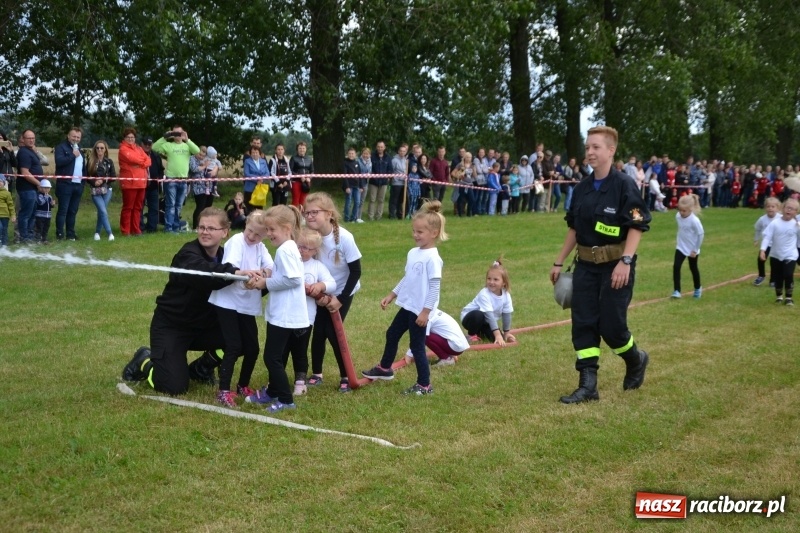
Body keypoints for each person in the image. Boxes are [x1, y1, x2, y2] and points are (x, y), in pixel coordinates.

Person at [549, 125, 652, 404]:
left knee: (612, 326)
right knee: (582, 323)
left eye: (596, 147)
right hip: (584, 265)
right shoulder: (582, 188)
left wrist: (626, 262)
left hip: (616, 266)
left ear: (611, 150)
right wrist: (559, 262)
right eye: (587, 147)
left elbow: (637, 225)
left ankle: (635, 359)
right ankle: (588, 385)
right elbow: (574, 228)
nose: (590, 152)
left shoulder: (624, 185)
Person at [122, 207, 254, 394]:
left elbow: (245, 289)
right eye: (201, 227)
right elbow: (204, 273)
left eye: (211, 228)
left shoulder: (229, 256)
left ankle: (202, 368)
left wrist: (261, 280)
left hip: (206, 326)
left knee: (243, 339)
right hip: (173, 326)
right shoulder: (187, 254)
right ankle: (145, 361)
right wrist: (234, 274)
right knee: (173, 387)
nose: (204, 232)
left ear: (225, 232)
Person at [361, 200, 449, 396]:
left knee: (417, 347)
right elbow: (408, 278)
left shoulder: (433, 258)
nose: (415, 235)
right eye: (414, 231)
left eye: (420, 232)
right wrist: (392, 294)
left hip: (420, 310)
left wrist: (426, 312)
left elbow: (435, 287)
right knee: (392, 333)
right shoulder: (413, 253)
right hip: (408, 306)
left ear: (434, 233)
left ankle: (425, 385)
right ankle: (385, 369)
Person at [243, 205, 307, 413]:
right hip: (281, 314)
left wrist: (265, 284)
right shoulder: (288, 248)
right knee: (274, 356)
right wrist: (267, 278)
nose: (268, 234)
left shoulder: (285, 250)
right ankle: (273, 392)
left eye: (272, 230)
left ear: (287, 228)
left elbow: (294, 279)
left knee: (272, 358)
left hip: (285, 316)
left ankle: (286, 399)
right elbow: (286, 277)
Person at [208, 210, 274, 407]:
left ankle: (242, 385)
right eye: (250, 231)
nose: (252, 236)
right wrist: (248, 276)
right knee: (234, 346)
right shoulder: (237, 241)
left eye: (258, 235)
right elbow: (231, 268)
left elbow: (271, 268)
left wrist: (261, 273)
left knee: (252, 348)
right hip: (227, 302)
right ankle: (223, 391)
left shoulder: (260, 247)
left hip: (246, 303)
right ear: (246, 225)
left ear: (265, 235)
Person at [303, 192, 363, 392]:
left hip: (344, 290)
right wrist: (320, 294)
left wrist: (340, 299)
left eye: (314, 212)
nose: (310, 216)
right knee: (318, 332)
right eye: (307, 213)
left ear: (329, 214)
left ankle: (346, 376)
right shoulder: (311, 237)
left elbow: (356, 271)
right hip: (322, 292)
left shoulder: (344, 237)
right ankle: (317, 373)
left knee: (333, 332)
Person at [284, 228, 336, 395]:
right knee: (282, 349)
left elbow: (332, 283)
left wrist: (320, 286)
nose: (302, 250)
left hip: (305, 318)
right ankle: (276, 379)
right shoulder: (290, 261)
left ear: (315, 251)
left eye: (307, 248)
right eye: (299, 246)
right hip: (285, 316)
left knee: (300, 350)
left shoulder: (317, 266)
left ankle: (300, 382)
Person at [152, 125, 201, 233]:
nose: (177, 135)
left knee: (178, 205)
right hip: (171, 180)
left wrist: (187, 140)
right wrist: (165, 137)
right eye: (175, 133)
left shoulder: (187, 146)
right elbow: (154, 147)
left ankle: (176, 226)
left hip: (183, 180)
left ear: (183, 133)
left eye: (179, 133)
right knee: (171, 204)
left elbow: (197, 151)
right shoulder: (169, 145)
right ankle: (169, 228)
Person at [460, 259, 517, 346]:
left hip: (486, 321)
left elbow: (507, 315)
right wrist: (497, 334)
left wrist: (506, 334)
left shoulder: (506, 295)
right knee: (478, 315)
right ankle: (471, 335)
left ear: (504, 283)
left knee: (496, 338)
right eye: (489, 279)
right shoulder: (484, 294)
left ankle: (480, 333)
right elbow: (489, 315)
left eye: (496, 279)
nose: (491, 282)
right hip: (470, 318)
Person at [759, 198, 799, 306]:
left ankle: (789, 298)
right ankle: (779, 296)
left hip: (790, 255)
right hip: (776, 254)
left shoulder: (796, 225)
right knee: (778, 276)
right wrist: (762, 250)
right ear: (783, 208)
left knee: (788, 274)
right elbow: (767, 237)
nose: (789, 210)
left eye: (793, 209)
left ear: (796, 212)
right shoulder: (775, 223)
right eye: (788, 208)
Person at [404, 308, 470, 367]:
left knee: (424, 336)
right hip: (458, 345)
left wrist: (409, 355)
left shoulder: (427, 316)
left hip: (455, 346)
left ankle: (446, 359)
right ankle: (449, 355)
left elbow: (420, 338)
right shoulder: (433, 312)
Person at [118, 128, 150, 237]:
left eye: (132, 137)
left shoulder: (139, 149)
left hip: (141, 183)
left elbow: (148, 161)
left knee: (138, 208)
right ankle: (125, 231)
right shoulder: (123, 149)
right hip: (129, 183)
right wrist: (141, 162)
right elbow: (133, 159)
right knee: (128, 207)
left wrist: (140, 163)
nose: (130, 139)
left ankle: (136, 230)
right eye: (128, 137)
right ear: (124, 138)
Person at [54, 127, 85, 241]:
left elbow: (83, 167)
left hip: (78, 184)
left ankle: (71, 234)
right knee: (63, 210)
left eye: (78, 137)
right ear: (68, 136)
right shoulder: (61, 147)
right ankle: (60, 234)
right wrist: (73, 155)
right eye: (74, 136)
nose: (76, 139)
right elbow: (60, 162)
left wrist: (83, 182)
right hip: (65, 184)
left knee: (73, 210)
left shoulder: (80, 149)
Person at [671, 194, 704, 299]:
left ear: (691, 209)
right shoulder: (678, 216)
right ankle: (677, 291)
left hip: (692, 249)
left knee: (693, 268)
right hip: (681, 247)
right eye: (680, 210)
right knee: (676, 266)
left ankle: (698, 288)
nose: (681, 212)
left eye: (684, 211)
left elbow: (701, 234)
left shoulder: (695, 221)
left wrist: (695, 249)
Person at [84, 140, 116, 241]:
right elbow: (86, 176)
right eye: (97, 148)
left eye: (102, 148)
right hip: (95, 191)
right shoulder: (90, 161)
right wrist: (94, 182)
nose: (99, 150)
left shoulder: (109, 162)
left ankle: (97, 233)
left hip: (107, 189)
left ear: (105, 149)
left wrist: (103, 180)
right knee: (102, 210)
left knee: (102, 212)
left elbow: (113, 177)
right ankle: (110, 233)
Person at [14, 130, 43, 244]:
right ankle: (24, 238)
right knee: (25, 214)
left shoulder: (31, 151)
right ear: (23, 139)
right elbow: (25, 172)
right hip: (27, 188)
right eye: (28, 138)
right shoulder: (24, 152)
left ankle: (30, 236)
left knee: (32, 214)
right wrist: (38, 183)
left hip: (32, 188)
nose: (31, 140)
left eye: (33, 138)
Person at [191, 146, 221, 229]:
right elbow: (194, 169)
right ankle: (196, 226)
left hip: (209, 186)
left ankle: (206, 225)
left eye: (203, 155)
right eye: (200, 154)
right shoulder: (193, 159)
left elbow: (216, 164)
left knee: (208, 206)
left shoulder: (209, 159)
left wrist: (215, 168)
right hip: (199, 187)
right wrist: (204, 166)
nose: (201, 156)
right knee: (200, 206)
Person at [753, 197, 780, 287]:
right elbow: (757, 229)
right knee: (760, 259)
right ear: (765, 208)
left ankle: (773, 280)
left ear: (777, 208)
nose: (770, 208)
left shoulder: (780, 218)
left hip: (777, 244)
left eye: (773, 206)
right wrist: (756, 239)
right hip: (766, 244)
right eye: (768, 206)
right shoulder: (762, 219)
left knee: (774, 262)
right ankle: (761, 276)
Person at [142, 137, 164, 233]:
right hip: (141, 186)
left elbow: (161, 169)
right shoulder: (138, 154)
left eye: (149, 144)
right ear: (141, 144)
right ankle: (140, 227)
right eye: (145, 144)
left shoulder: (155, 156)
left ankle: (152, 228)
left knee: (154, 208)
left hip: (154, 186)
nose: (147, 146)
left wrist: (159, 177)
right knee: (140, 208)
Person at [368, 140, 392, 220]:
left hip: (384, 182)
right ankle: (370, 216)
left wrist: (388, 177)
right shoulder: (371, 156)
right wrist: (374, 177)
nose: (380, 148)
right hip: (373, 182)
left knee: (381, 200)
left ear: (384, 147)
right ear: (376, 147)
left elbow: (390, 169)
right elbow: (369, 168)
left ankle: (378, 216)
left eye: (381, 147)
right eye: (378, 147)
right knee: (372, 200)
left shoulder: (388, 158)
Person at [289, 141, 313, 207]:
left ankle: (302, 215)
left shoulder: (309, 159)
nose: (302, 150)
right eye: (300, 148)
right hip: (296, 182)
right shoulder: (293, 158)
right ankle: (295, 215)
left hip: (306, 182)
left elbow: (312, 171)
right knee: (296, 200)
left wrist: (309, 178)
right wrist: (299, 177)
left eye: (303, 148)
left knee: (304, 200)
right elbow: (290, 170)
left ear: (306, 149)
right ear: (297, 149)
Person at [342, 147, 362, 223]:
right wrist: (346, 187)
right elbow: (344, 176)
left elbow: (360, 175)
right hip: (349, 186)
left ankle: (353, 218)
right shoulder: (345, 163)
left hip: (356, 186)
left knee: (357, 202)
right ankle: (346, 218)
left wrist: (360, 186)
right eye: (349, 153)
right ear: (347, 154)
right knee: (348, 202)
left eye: (352, 153)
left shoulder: (357, 163)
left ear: (355, 154)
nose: (351, 155)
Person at [389, 144, 408, 220]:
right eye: (401, 151)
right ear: (398, 151)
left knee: (401, 200)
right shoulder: (394, 160)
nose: (402, 152)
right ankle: (392, 214)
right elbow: (392, 171)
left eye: (404, 151)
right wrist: (398, 178)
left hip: (404, 183)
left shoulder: (406, 160)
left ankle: (399, 213)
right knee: (394, 199)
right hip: (396, 183)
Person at [34, 179, 55, 244]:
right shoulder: (39, 195)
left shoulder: (50, 196)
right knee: (39, 227)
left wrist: (52, 204)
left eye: (48, 188)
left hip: (48, 215)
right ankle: (38, 239)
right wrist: (45, 197)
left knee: (46, 227)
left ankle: (44, 238)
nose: (47, 190)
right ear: (40, 188)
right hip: (40, 215)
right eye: (45, 188)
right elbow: (40, 203)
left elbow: (50, 206)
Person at [355, 147, 371, 223]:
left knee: (362, 201)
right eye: (364, 153)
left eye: (367, 153)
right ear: (362, 154)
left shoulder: (370, 162)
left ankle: (359, 217)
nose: (365, 155)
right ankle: (354, 216)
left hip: (366, 183)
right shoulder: (358, 161)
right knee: (357, 201)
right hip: (358, 184)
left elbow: (370, 172)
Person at [0, 175, 15, 246]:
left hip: (5, 216)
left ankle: (4, 245)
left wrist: (13, 215)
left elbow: (11, 205)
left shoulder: (7, 193)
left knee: (4, 230)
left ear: (3, 183)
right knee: (0, 228)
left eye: (0, 181)